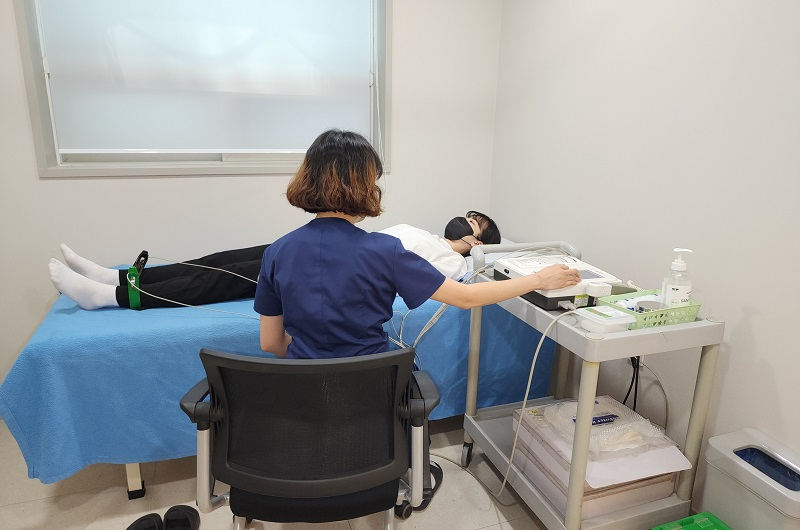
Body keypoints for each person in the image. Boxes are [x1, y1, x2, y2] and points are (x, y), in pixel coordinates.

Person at [254, 129, 579, 360]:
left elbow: (270, 343)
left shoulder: (276, 252)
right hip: (371, 391)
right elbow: (465, 298)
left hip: (303, 401)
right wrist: (538, 280)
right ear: (364, 186)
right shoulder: (384, 250)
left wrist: (313, 364)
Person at [47, 211, 501, 310]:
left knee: (218, 281)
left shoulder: (455, 263)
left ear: (476, 242)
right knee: (220, 259)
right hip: (322, 248)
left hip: (327, 272)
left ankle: (107, 297)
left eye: (473, 223)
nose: (462, 218)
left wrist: (535, 275)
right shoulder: (425, 232)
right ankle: (120, 275)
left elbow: (450, 293)